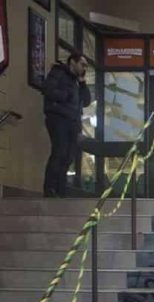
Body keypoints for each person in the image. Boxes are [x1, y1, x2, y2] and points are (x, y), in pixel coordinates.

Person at [42, 52, 91, 197]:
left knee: (69, 156)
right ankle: (50, 188)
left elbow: (87, 101)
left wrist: (82, 83)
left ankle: (61, 189)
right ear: (72, 63)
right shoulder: (58, 73)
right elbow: (48, 90)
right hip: (58, 118)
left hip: (73, 121)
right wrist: (66, 95)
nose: (84, 68)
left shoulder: (77, 81)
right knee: (59, 152)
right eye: (82, 64)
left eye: (86, 66)